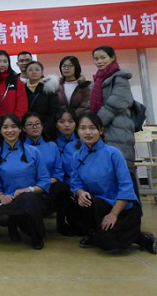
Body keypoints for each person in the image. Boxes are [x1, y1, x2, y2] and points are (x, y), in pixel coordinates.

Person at [71, 112, 156, 254]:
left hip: (123, 207)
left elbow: (126, 186)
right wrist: (80, 193)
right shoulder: (76, 156)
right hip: (99, 205)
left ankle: (141, 238)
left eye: (92, 128)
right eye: (83, 128)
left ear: (101, 131)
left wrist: (114, 214)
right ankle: (96, 232)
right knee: (79, 205)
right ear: (77, 131)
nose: (88, 132)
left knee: (110, 244)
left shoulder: (113, 153)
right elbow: (75, 183)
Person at [0, 114, 51, 250]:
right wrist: (1, 196)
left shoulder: (34, 152)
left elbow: (45, 181)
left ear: (20, 129)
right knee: (4, 217)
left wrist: (28, 190)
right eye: (5, 127)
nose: (10, 131)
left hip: (32, 199)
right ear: (0, 130)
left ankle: (37, 236)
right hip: (9, 200)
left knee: (28, 199)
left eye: (13, 127)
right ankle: (13, 223)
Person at [22, 113, 72, 236]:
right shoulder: (20, 148)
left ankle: (61, 224)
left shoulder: (52, 146)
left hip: (48, 187)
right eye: (30, 124)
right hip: (28, 190)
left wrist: (44, 184)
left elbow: (58, 172)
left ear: (42, 126)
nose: (34, 127)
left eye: (37, 124)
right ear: (23, 129)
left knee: (63, 187)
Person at [88, 46, 136, 172]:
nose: (99, 61)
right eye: (96, 59)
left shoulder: (120, 78)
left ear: (112, 58)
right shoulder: (95, 82)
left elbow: (116, 104)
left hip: (118, 129)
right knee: (104, 171)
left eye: (103, 58)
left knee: (122, 169)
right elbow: (90, 105)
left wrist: (95, 123)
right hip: (100, 132)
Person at [0, 50, 28, 149]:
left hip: (14, 128)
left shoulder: (16, 81)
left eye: (5, 61)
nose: (2, 64)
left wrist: (13, 123)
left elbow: (22, 104)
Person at [22, 61, 60, 140]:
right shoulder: (22, 89)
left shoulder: (49, 88)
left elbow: (55, 111)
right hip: (27, 128)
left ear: (42, 72)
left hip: (47, 129)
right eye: (30, 70)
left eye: (37, 69)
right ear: (25, 73)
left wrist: (45, 127)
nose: (34, 72)